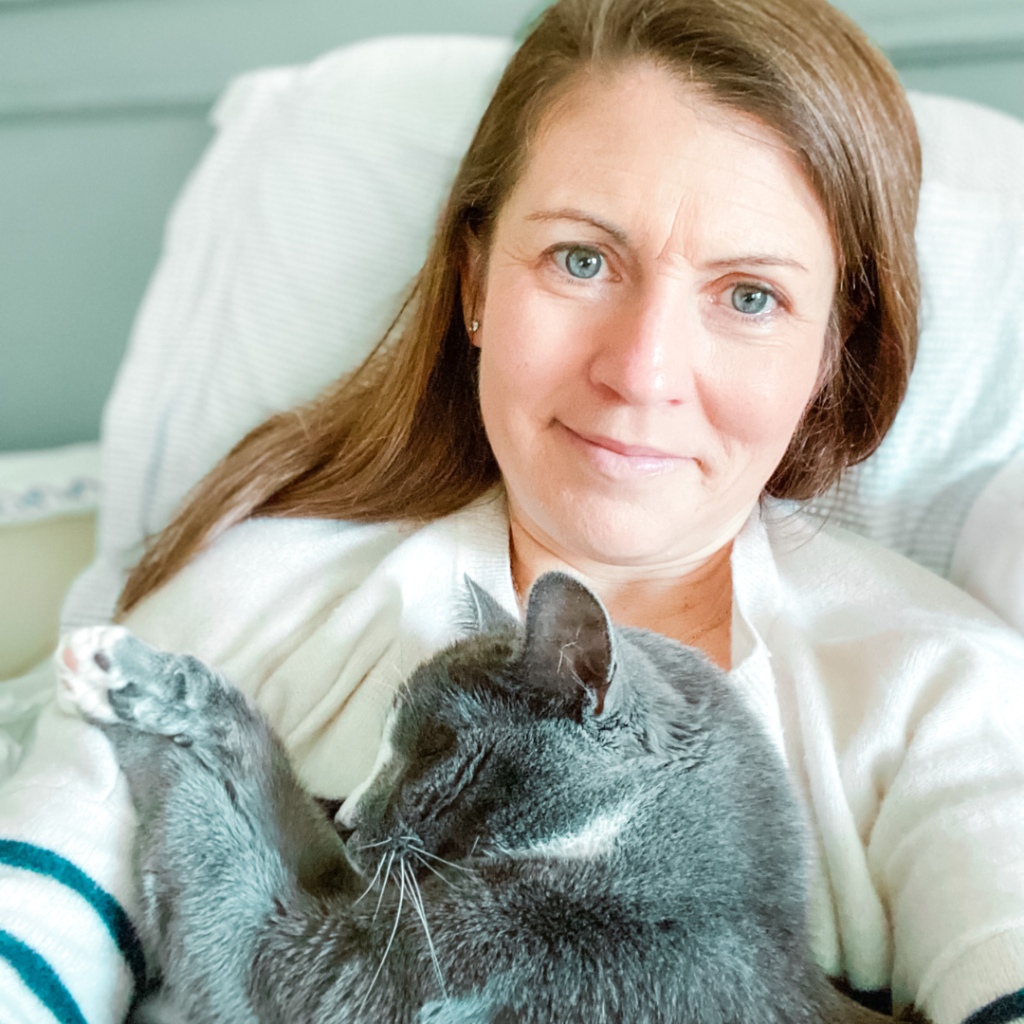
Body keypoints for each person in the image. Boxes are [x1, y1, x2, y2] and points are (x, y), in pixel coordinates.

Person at [1, 0, 1023, 1021]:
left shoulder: (945, 702)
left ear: (831, 349)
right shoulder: (246, 606)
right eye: (582, 259)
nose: (642, 372)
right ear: (474, 278)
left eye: (749, 295)